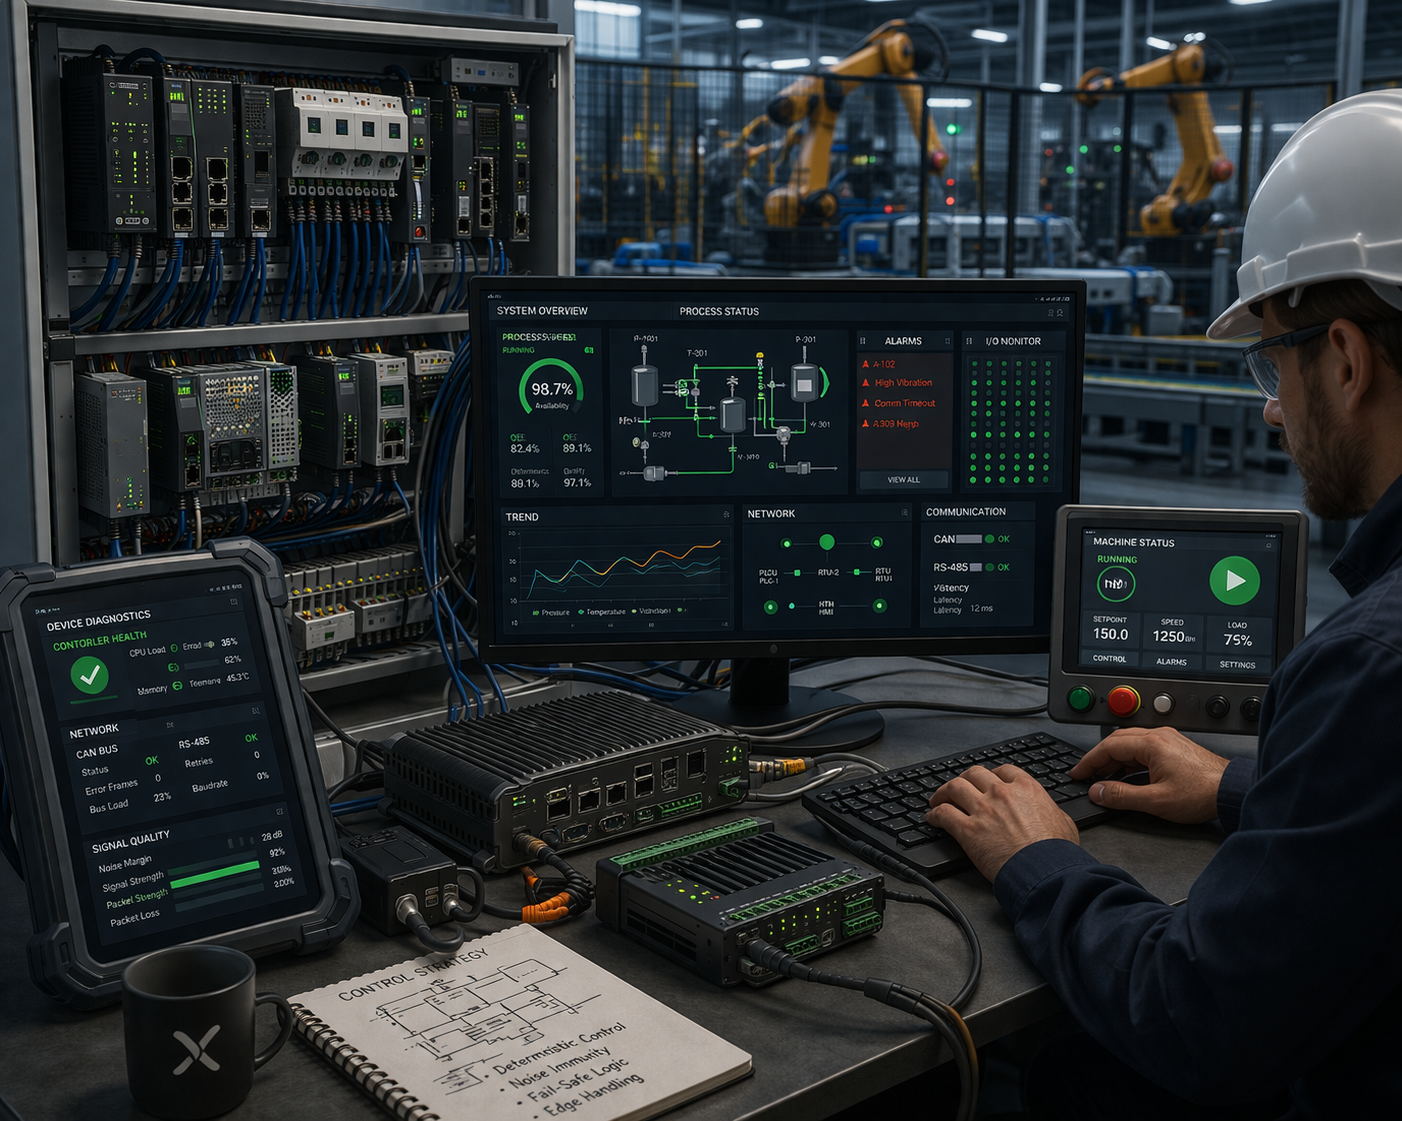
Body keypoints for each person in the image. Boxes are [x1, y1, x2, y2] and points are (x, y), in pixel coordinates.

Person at [925, 89, 1402, 1119]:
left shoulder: (1371, 664)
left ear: (1347, 359)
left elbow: (1191, 1014)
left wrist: (1038, 856)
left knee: (1045, 1069)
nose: (1272, 407)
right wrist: (1240, 793)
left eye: (1272, 360)